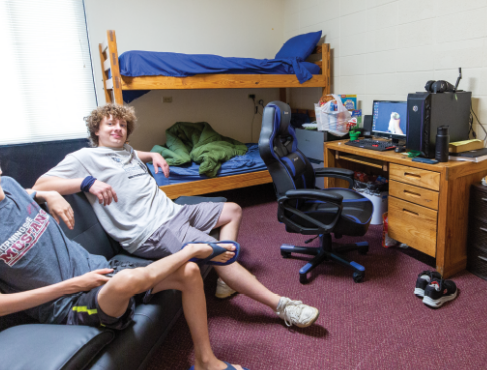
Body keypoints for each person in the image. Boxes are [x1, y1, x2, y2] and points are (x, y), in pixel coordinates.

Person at [0, 135, 252, 370]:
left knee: (190, 274)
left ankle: (206, 362)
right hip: (69, 306)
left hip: (101, 271)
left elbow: (29, 191)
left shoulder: (8, 186)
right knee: (136, 277)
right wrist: (70, 286)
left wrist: (49, 194)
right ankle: (194, 249)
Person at [33, 104, 319, 328]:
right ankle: (282, 306)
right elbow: (40, 185)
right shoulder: (84, 158)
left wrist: (153, 155)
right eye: (111, 124)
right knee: (218, 251)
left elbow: (133, 154)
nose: (118, 129)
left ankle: (223, 281)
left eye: (122, 125)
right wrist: (85, 183)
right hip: (152, 231)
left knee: (233, 209)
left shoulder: (128, 151)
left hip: (175, 212)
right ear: (97, 129)